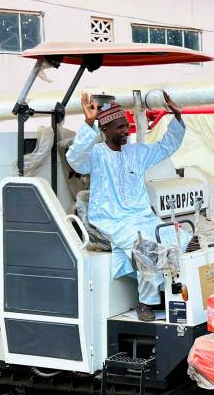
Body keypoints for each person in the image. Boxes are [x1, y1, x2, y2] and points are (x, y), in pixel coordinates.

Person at [66, 92, 191, 321]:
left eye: (127, 126)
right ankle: (146, 302)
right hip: (110, 219)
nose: (126, 131)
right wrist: (88, 122)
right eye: (120, 127)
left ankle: (167, 293)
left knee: (179, 237)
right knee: (145, 247)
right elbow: (74, 160)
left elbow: (166, 146)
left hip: (142, 217)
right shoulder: (95, 155)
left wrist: (178, 116)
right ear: (105, 129)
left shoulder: (136, 152)